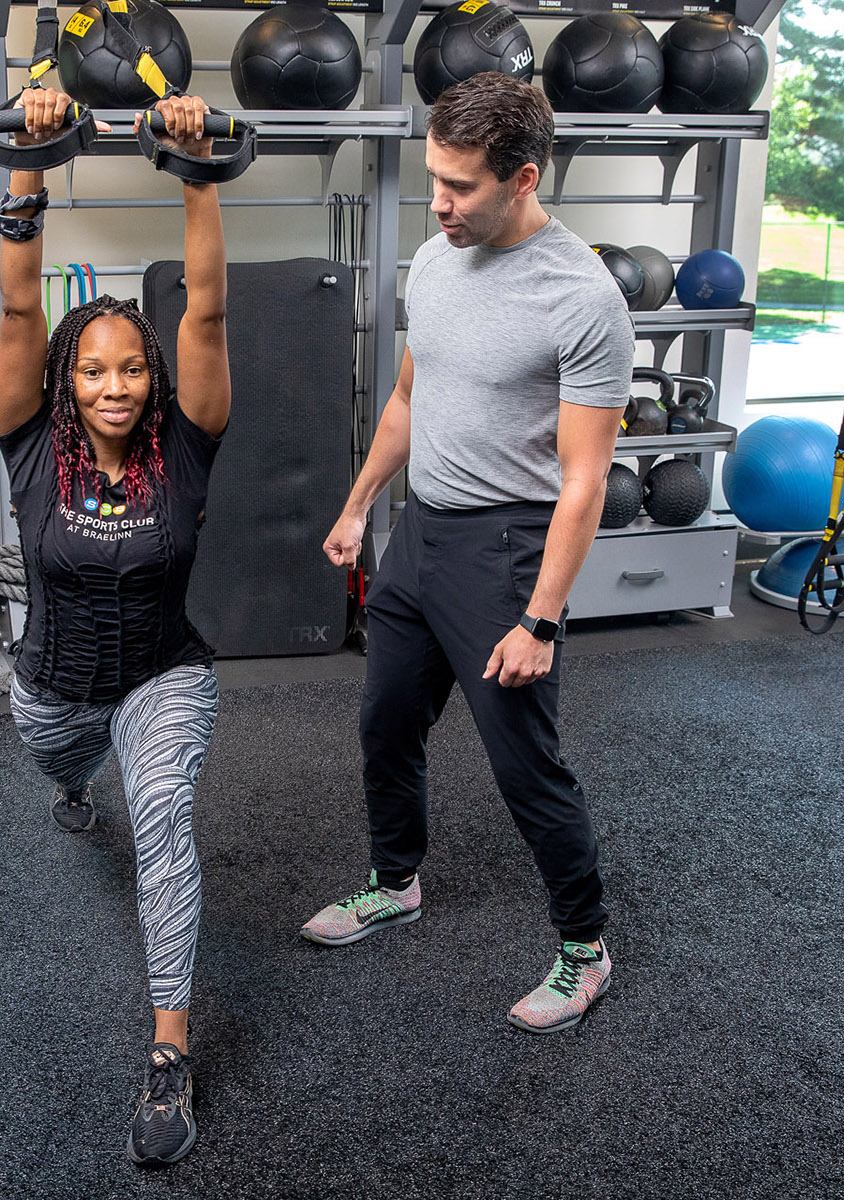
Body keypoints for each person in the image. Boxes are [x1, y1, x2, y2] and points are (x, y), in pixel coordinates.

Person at [300, 72, 634, 1035]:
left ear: (523, 178)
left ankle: (585, 947)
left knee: (525, 764)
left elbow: (585, 481)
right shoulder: (437, 262)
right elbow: (410, 398)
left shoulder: (582, 299)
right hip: (421, 535)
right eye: (434, 178)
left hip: (506, 549)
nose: (438, 203)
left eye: (460, 185)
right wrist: (359, 508)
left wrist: (541, 620)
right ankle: (394, 882)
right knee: (385, 724)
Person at [0, 89, 228, 1165]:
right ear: (66, 380)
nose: (116, 386)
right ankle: (75, 784)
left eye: (133, 367)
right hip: (51, 690)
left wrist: (197, 168)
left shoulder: (189, 444)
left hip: (164, 674)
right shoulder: (29, 441)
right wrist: (31, 157)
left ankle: (169, 1051)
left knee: (164, 808)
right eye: (94, 369)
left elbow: (206, 312)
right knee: (59, 759)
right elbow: (17, 309)